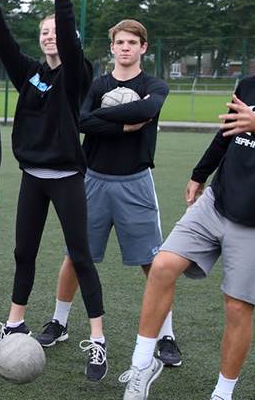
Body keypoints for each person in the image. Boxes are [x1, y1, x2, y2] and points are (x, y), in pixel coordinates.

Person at [120, 9, 255, 400]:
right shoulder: (251, 84)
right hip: (217, 202)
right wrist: (200, 174)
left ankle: (222, 399)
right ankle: (142, 365)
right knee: (162, 265)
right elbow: (228, 133)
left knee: (237, 308)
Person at [0, 0, 108, 382]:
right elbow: (1, 41)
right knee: (24, 254)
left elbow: (72, 51)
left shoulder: (77, 75)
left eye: (56, 30)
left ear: (68, 36)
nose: (49, 36)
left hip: (68, 177)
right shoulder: (31, 76)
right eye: (43, 32)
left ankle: (98, 340)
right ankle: (15, 322)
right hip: (33, 177)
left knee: (81, 256)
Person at [39, 20, 177, 363]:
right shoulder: (97, 83)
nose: (126, 47)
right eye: (120, 42)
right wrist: (124, 124)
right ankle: (59, 321)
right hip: (93, 180)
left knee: (152, 263)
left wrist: (104, 118)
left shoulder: (155, 85)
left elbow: (148, 109)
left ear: (143, 47)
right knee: (76, 254)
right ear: (112, 47)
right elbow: (81, 121)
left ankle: (167, 335)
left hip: (136, 182)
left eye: (133, 42)